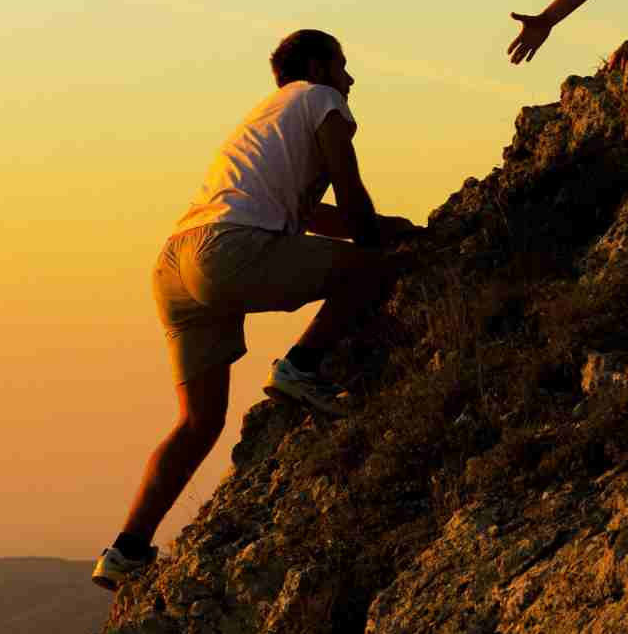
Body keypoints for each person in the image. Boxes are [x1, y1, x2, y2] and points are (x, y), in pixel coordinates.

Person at [91, 30, 417, 591]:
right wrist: (389, 246)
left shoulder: (267, 119)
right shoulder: (321, 100)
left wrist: (393, 227)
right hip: (228, 250)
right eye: (343, 65)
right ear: (317, 66)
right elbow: (350, 193)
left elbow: (309, 218)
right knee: (374, 269)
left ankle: (126, 550)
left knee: (198, 422)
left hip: (175, 263)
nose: (351, 78)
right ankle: (301, 367)